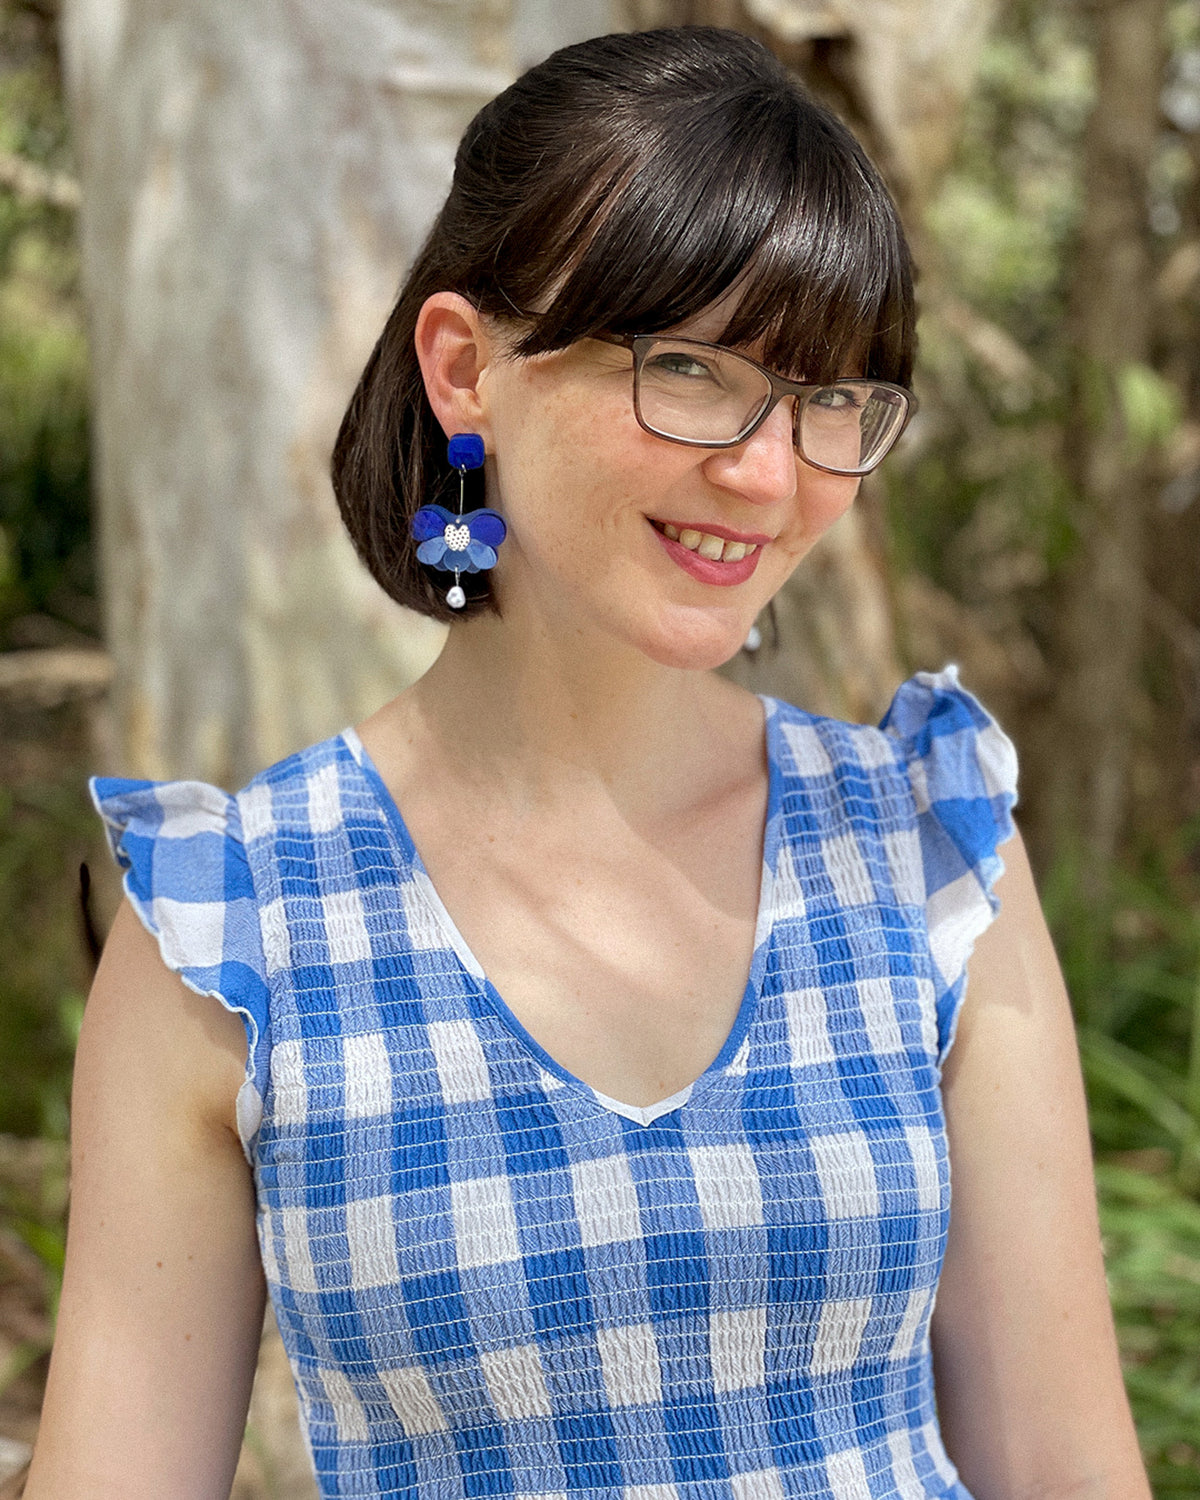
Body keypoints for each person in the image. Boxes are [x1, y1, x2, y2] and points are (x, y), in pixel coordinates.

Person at [26, 26, 1149, 1500]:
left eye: (833, 399)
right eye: (689, 367)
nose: (768, 472)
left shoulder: (928, 847)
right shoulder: (233, 924)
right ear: (463, 368)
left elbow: (1064, 1465)